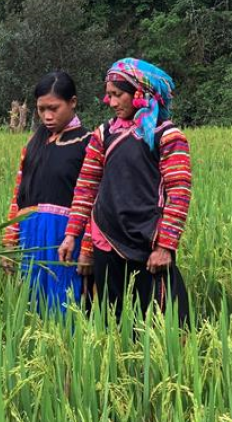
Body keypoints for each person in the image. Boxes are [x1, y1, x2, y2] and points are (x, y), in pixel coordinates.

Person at [58, 58, 191, 324]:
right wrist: (74, 235)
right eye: (109, 96)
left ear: (139, 93)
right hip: (106, 239)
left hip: (148, 242)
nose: (112, 102)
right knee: (113, 320)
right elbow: (87, 188)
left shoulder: (166, 135)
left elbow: (179, 192)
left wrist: (165, 245)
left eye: (117, 95)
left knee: (161, 321)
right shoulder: (103, 134)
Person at [3, 71, 92, 315]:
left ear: (72, 102)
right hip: (29, 232)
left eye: (54, 108)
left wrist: (87, 246)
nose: (47, 116)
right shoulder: (34, 142)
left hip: (65, 236)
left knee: (65, 300)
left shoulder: (88, 142)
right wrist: (10, 238)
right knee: (31, 301)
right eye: (41, 109)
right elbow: (19, 192)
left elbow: (94, 199)